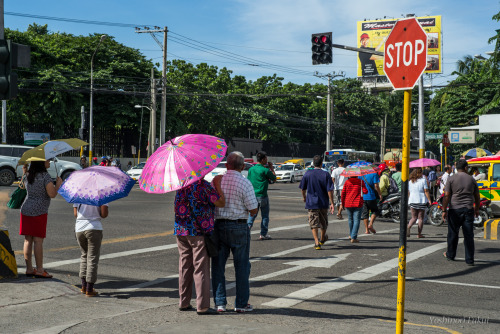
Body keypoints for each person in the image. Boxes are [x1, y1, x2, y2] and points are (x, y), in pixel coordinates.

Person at [212, 152, 258, 313]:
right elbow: (253, 209)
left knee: (218, 267)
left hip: (218, 226)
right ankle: (241, 304)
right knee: (242, 266)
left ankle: (219, 303)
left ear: (226, 165)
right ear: (243, 166)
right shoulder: (245, 183)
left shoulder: (217, 180)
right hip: (239, 226)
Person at [175, 178, 225, 314]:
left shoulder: (181, 185)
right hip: (198, 231)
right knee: (201, 268)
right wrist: (218, 186)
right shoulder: (203, 185)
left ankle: (184, 302)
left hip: (181, 230)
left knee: (185, 266)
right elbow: (221, 202)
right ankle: (202, 306)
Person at [20, 160, 63, 278]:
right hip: (39, 211)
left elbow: (24, 186)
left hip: (26, 209)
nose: (49, 162)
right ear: (41, 163)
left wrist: (25, 171)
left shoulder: (28, 175)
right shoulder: (45, 176)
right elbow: (52, 194)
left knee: (27, 240)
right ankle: (39, 270)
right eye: (47, 160)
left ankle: (29, 268)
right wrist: (58, 184)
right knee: (38, 241)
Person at [442, 159, 480, 266]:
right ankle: (470, 259)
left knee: (453, 233)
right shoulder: (472, 179)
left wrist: (444, 210)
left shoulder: (451, 178)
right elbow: (477, 196)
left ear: (456, 168)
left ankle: (450, 254)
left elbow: (447, 195)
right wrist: (476, 209)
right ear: (466, 168)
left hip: (454, 210)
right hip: (468, 209)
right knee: (468, 235)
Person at [298, 155, 335, 250]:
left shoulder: (307, 174)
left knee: (313, 222)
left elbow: (303, 188)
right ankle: (322, 239)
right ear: (322, 163)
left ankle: (316, 242)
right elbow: (330, 190)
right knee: (324, 222)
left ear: (313, 163)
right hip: (323, 202)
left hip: (311, 202)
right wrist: (332, 203)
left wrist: (304, 197)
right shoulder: (326, 174)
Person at [74, 202, 109, 297]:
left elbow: (75, 214)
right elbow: (104, 214)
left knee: (84, 255)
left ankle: (84, 286)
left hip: (79, 228)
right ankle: (89, 288)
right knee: (92, 258)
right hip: (94, 227)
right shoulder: (102, 193)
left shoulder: (78, 192)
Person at [247, 151, 276, 240]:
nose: (267, 160)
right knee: (265, 216)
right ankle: (263, 234)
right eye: (266, 158)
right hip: (262, 195)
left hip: (253, 195)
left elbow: (248, 180)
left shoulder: (251, 169)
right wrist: (271, 168)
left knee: (252, 215)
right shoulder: (265, 170)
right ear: (263, 159)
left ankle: (247, 231)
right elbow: (274, 178)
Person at [340, 175, 368, 243]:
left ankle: (351, 234)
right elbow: (365, 191)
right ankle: (353, 237)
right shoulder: (361, 182)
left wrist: (342, 204)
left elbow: (343, 193)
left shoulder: (347, 182)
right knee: (356, 220)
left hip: (348, 203)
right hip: (358, 203)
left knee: (350, 219)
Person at [407, 168, 432, 238]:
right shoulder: (423, 180)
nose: (422, 174)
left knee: (414, 217)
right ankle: (419, 234)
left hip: (412, 200)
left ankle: (408, 227)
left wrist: (410, 198)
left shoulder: (410, 181)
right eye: (421, 173)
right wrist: (429, 200)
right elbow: (426, 191)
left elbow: (408, 192)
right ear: (419, 173)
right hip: (421, 200)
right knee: (420, 218)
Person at [359, 162, 382, 234]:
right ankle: (371, 224)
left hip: (363, 197)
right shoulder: (374, 174)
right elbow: (376, 186)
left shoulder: (361, 175)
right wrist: (380, 194)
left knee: (365, 213)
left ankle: (366, 230)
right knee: (375, 211)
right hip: (371, 196)